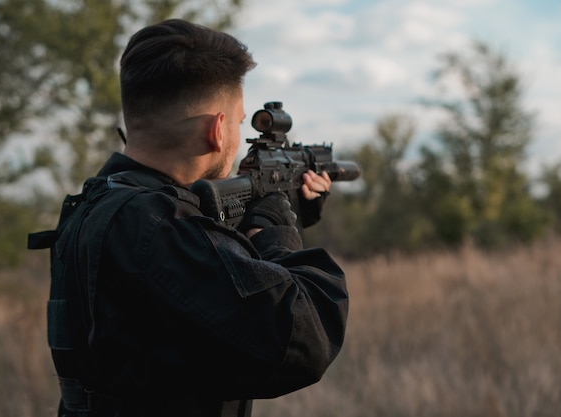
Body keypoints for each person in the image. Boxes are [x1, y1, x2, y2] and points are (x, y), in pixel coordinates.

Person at [31, 19, 348, 417]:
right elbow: (304, 338)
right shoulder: (158, 229)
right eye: (237, 122)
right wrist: (278, 234)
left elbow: (201, 285)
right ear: (218, 130)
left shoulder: (101, 202)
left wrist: (289, 212)